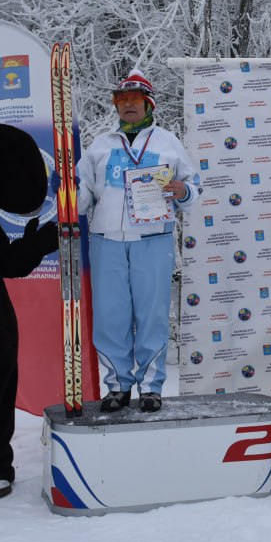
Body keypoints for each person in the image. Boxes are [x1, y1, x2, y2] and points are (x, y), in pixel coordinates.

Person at [77, 70, 201, 412]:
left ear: (148, 105)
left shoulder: (167, 143)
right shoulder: (100, 145)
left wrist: (183, 190)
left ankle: (150, 386)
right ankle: (117, 385)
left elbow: (193, 187)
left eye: (135, 101)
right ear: (116, 107)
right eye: (122, 101)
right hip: (107, 241)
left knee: (151, 315)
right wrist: (66, 194)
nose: (128, 106)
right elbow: (82, 195)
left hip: (152, 240)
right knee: (109, 317)